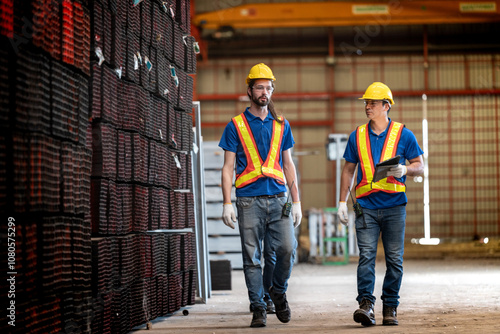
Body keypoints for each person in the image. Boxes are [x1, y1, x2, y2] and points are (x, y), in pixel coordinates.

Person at [219, 63, 302, 328]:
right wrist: (226, 202)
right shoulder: (235, 126)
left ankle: (277, 291)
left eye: (268, 87)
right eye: (260, 87)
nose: (265, 92)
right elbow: (228, 167)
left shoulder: (281, 125)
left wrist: (297, 201)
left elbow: (288, 165)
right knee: (252, 259)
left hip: (279, 200)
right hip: (248, 201)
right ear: (250, 91)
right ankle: (258, 307)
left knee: (287, 250)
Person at [337, 82, 424, 327]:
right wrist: (342, 202)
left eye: (372, 103)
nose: (367, 107)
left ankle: (390, 306)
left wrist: (406, 168)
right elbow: (348, 169)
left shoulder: (404, 134)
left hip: (395, 206)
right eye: (366, 103)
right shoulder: (357, 135)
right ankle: (366, 304)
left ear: (386, 106)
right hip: (365, 206)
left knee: (394, 259)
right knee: (366, 257)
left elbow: (420, 165)